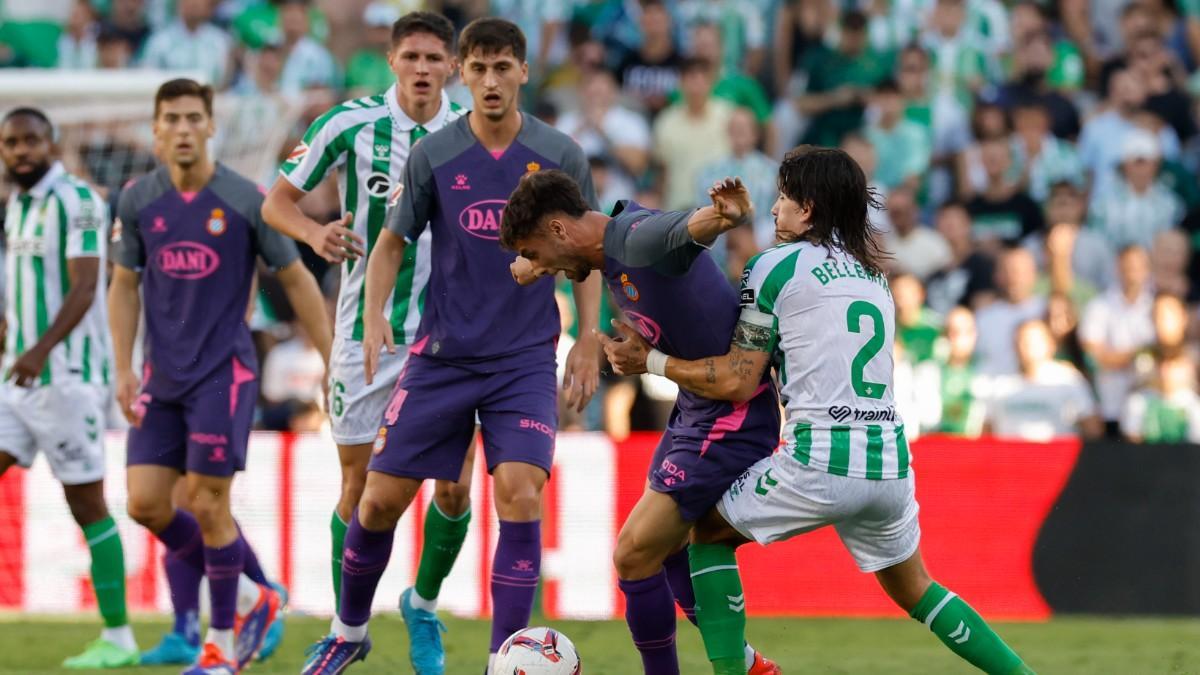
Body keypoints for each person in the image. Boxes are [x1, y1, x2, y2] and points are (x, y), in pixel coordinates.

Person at [602, 146, 1034, 675]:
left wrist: (652, 360)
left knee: (708, 535)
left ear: (806, 208)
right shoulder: (875, 279)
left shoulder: (772, 267)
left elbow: (739, 381)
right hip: (890, 463)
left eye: (783, 198)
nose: (775, 209)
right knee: (916, 589)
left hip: (821, 458)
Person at [301, 19, 602, 674]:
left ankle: (506, 659)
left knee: (519, 493)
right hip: (441, 356)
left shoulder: (560, 154)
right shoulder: (435, 153)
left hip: (523, 359)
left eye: (503, 68)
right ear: (461, 75)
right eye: (479, 68)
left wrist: (587, 340)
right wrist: (375, 313)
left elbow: (590, 248)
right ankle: (349, 631)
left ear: (523, 72)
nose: (490, 81)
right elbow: (390, 242)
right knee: (376, 500)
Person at [499, 171, 783, 675]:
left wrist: (725, 215)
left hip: (732, 415)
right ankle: (748, 666)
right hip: (696, 409)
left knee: (632, 556)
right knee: (666, 553)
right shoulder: (603, 248)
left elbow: (684, 229)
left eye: (538, 253)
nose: (543, 268)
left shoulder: (638, 238)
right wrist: (531, 263)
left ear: (560, 231)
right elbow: (561, 257)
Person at [261, 14, 477, 673]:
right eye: (409, 55)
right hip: (364, 334)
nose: (420, 67)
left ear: (451, 67)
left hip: (451, 337)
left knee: (456, 487)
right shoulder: (348, 123)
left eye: (433, 57)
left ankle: (424, 601)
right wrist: (314, 233)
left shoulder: (474, 133)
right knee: (356, 483)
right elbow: (276, 202)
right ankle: (345, 627)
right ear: (390, 61)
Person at [110, 78, 332, 674]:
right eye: (171, 120)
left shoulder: (245, 199)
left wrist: (331, 357)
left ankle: (223, 648)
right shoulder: (137, 201)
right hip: (160, 380)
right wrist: (122, 366)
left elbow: (295, 280)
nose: (182, 129)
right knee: (146, 505)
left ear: (210, 126)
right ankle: (255, 593)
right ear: (156, 132)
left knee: (209, 506)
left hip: (222, 377)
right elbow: (124, 285)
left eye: (192, 118)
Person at [0, 107, 137, 669]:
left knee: (86, 504)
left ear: (51, 144)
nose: (20, 150)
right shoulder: (17, 205)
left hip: (67, 379)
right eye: (11, 143)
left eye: (31, 140)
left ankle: (120, 637)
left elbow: (85, 286)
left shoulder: (77, 200)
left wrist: (40, 349)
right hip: (17, 377)